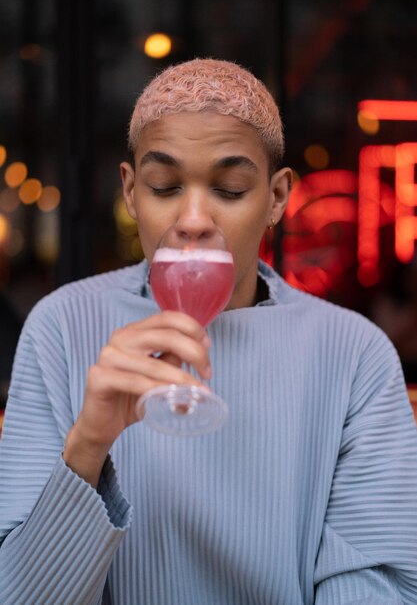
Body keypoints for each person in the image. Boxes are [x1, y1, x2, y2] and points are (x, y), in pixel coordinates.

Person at [1, 58, 417, 605]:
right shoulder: (60, 328)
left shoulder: (354, 354)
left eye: (230, 189)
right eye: (164, 186)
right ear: (131, 193)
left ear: (276, 198)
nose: (194, 219)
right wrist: (89, 446)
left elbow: (376, 584)